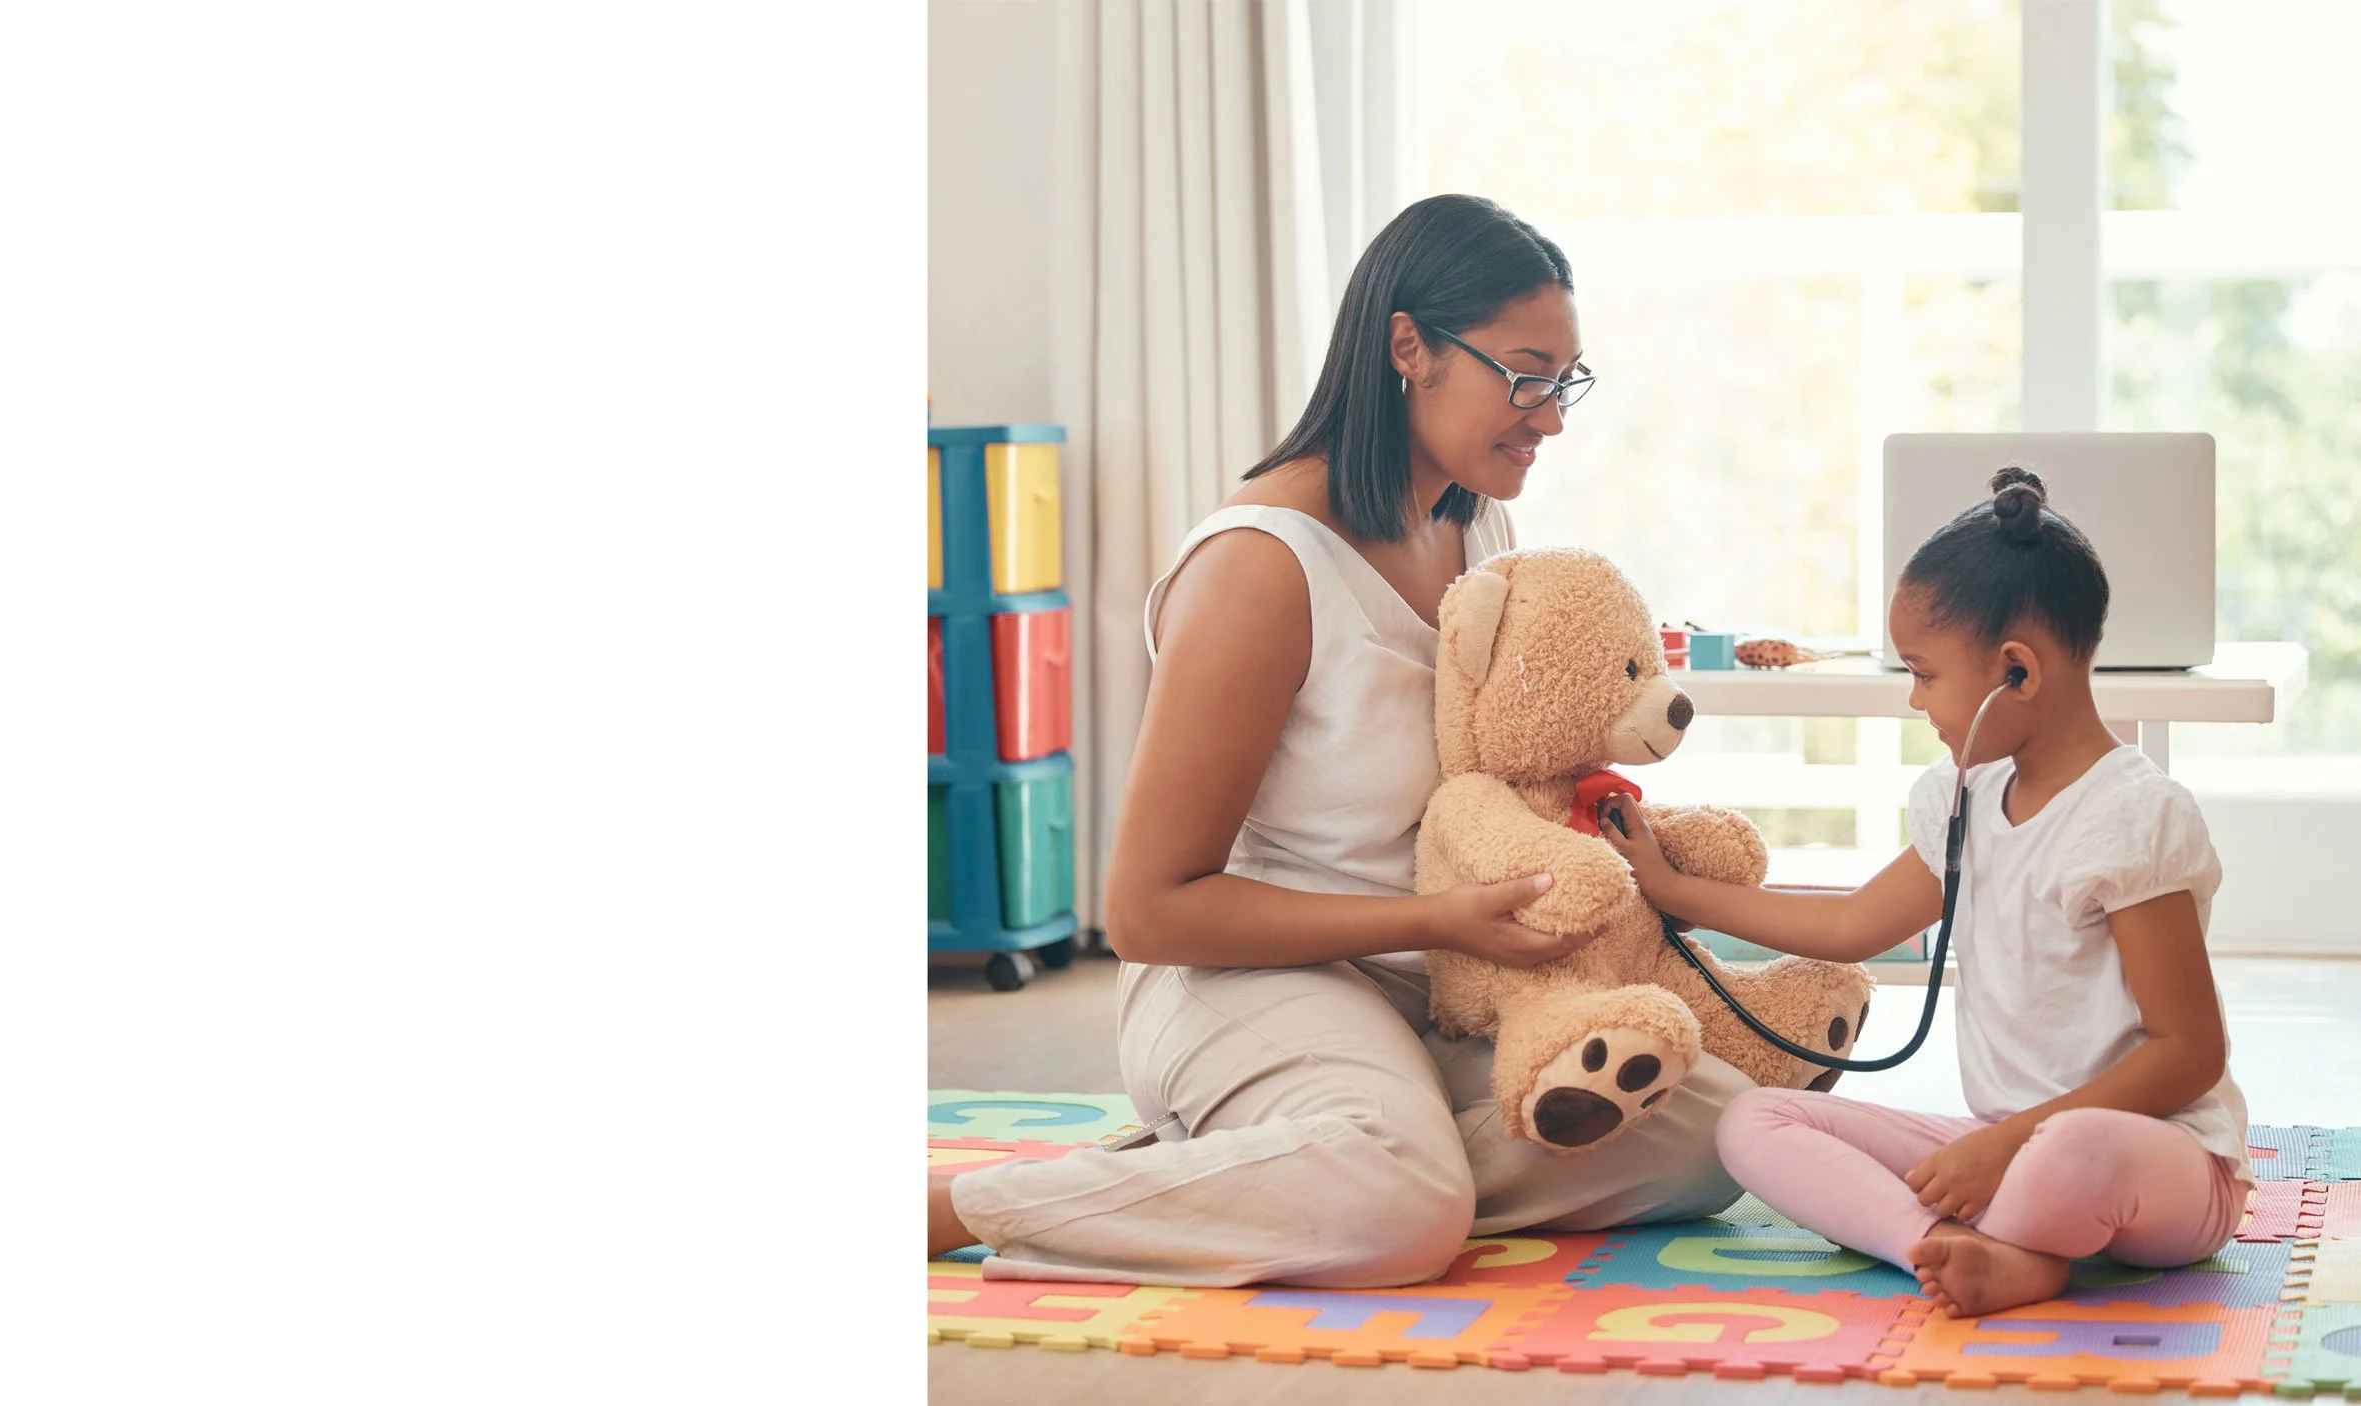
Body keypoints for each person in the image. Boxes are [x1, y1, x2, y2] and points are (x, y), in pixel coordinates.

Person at [926, 194, 1750, 1289]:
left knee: (1717, 1125)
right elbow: (1148, 909)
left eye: (1566, 380)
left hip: (1441, 978)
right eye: (1525, 373)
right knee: (1398, 1209)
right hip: (1245, 976)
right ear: (1408, 344)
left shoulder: (1477, 524)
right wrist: (1428, 917)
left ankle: (1281, 1164)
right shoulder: (1260, 568)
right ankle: (959, 1206)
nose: (1550, 416)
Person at [1601, 466, 2249, 1318]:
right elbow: (1849, 923)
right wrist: (1671, 886)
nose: (1915, 700)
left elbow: (2190, 1052)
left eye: (1924, 674)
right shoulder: (1961, 797)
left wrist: (2014, 1145)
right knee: (1755, 1121)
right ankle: (1947, 1251)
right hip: (2004, 1150)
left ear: (2016, 671)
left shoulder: (2130, 818)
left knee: (2072, 1152)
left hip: (2151, 1160)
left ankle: (2008, 1236)